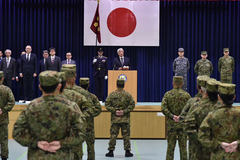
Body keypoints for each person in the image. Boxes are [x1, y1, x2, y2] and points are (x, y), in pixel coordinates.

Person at [13, 71, 85, 159]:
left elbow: (17, 133)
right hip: (62, 156)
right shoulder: (71, 107)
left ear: (40, 87)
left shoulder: (32, 107)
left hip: (37, 156)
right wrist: (62, 143)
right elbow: (81, 134)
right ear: (59, 86)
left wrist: (36, 143)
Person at [198, 83, 240, 160]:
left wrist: (218, 145)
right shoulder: (238, 114)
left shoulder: (212, 115)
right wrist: (237, 143)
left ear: (219, 97)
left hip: (218, 156)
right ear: (234, 97)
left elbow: (202, 136)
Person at [184, 79, 219, 160]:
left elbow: (187, 126)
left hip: (199, 150)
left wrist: (202, 141)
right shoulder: (221, 108)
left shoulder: (197, 106)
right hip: (218, 150)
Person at [58, 72, 88, 160]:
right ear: (74, 79)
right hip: (74, 135)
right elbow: (92, 109)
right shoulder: (79, 95)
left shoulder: (37, 104)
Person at [161, 76, 191, 160]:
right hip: (183, 125)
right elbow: (190, 109)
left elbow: (163, 108)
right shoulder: (186, 95)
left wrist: (172, 116)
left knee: (170, 148)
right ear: (182, 83)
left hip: (171, 125)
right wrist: (181, 117)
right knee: (183, 148)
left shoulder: (168, 94)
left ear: (173, 83)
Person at [105, 79, 135, 157]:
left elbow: (107, 105)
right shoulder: (128, 95)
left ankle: (111, 151)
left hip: (115, 119)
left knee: (113, 135)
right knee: (126, 135)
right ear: (123, 85)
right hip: (125, 119)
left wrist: (115, 111)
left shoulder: (112, 95)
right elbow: (132, 105)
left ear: (116, 84)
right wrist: (124, 111)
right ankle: (127, 152)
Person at [179, 76, 203, 159]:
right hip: (210, 145)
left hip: (194, 143)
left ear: (197, 87)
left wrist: (192, 135)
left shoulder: (192, 101)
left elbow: (182, 119)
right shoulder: (216, 104)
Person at [80, 77, 102, 160]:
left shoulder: (75, 96)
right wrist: (88, 114)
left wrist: (81, 115)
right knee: (91, 148)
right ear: (88, 85)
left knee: (77, 148)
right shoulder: (92, 97)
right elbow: (98, 109)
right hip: (89, 126)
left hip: (78, 126)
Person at [0, 71, 15, 160]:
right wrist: (4, 109)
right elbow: (12, 102)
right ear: (2, 78)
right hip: (3, 119)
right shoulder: (7, 89)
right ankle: (4, 157)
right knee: (4, 139)